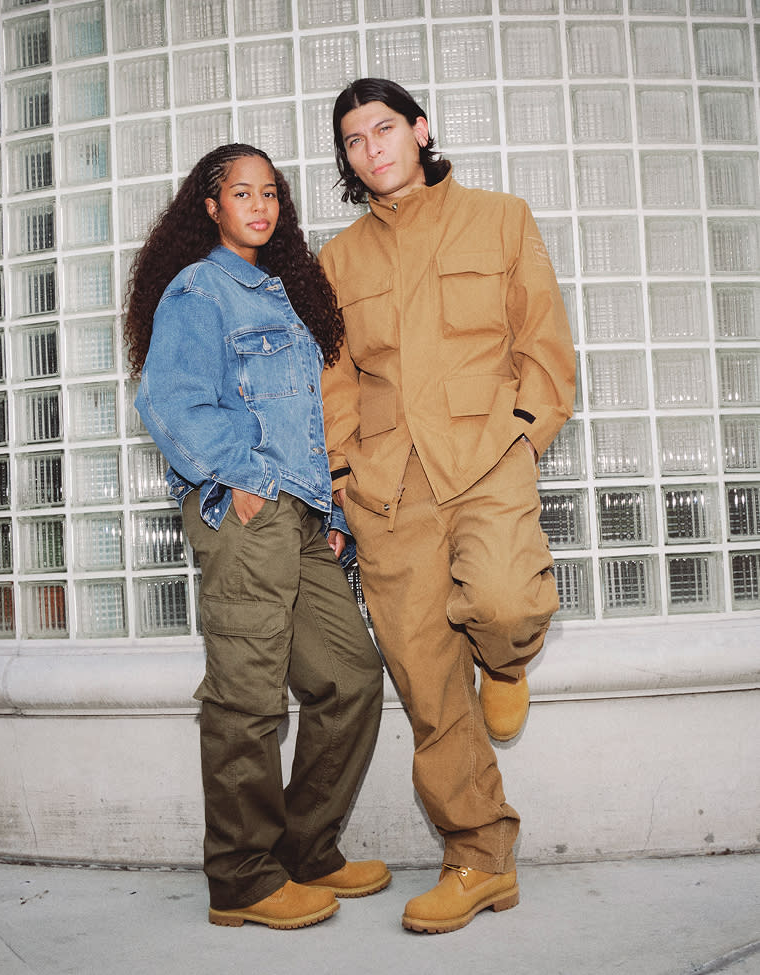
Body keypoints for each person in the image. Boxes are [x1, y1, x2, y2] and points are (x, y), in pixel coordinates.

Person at [320, 79, 576, 934]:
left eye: (384, 128)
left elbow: (542, 340)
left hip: (484, 459)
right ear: (348, 159)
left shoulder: (501, 217)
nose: (372, 148)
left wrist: (524, 440)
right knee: (430, 689)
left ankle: (506, 662)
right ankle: (479, 858)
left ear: (420, 131)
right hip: (389, 487)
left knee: (506, 602)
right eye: (354, 140)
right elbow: (336, 380)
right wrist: (342, 474)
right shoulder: (338, 259)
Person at [124, 143, 389, 930]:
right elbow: (168, 401)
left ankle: (305, 849)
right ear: (210, 207)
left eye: (269, 193)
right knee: (248, 695)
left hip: (301, 516)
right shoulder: (200, 288)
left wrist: (332, 516)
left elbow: (308, 416)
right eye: (242, 193)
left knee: (350, 676)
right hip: (246, 514)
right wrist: (242, 476)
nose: (260, 206)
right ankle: (240, 878)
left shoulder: (283, 292)